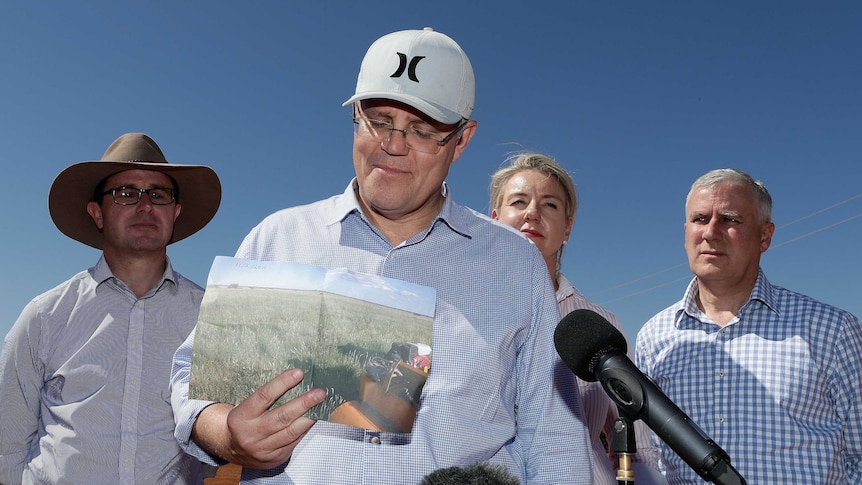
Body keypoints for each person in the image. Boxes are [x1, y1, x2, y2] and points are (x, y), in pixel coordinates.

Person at [170, 28, 593, 484]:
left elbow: (553, 437)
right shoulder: (277, 239)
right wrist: (226, 432)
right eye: (378, 120)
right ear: (355, 114)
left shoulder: (516, 263)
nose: (393, 144)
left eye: (423, 129)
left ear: (462, 139)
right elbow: (189, 381)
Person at [0, 133, 222, 484]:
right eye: (126, 193)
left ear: (175, 212)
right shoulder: (44, 316)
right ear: (97, 213)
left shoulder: (210, 319)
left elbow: (215, 444)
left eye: (159, 195)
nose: (145, 206)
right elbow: (6, 446)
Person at [636, 168, 862, 483]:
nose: (711, 232)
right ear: (686, 231)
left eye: (730, 220)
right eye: (700, 219)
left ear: (765, 236)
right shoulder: (653, 337)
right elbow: (655, 459)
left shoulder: (832, 330)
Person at [490, 152, 665, 485]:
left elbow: (640, 447)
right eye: (519, 201)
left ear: (567, 228)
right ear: (495, 219)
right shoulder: (458, 313)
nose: (532, 213)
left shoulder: (601, 325)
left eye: (550, 205)